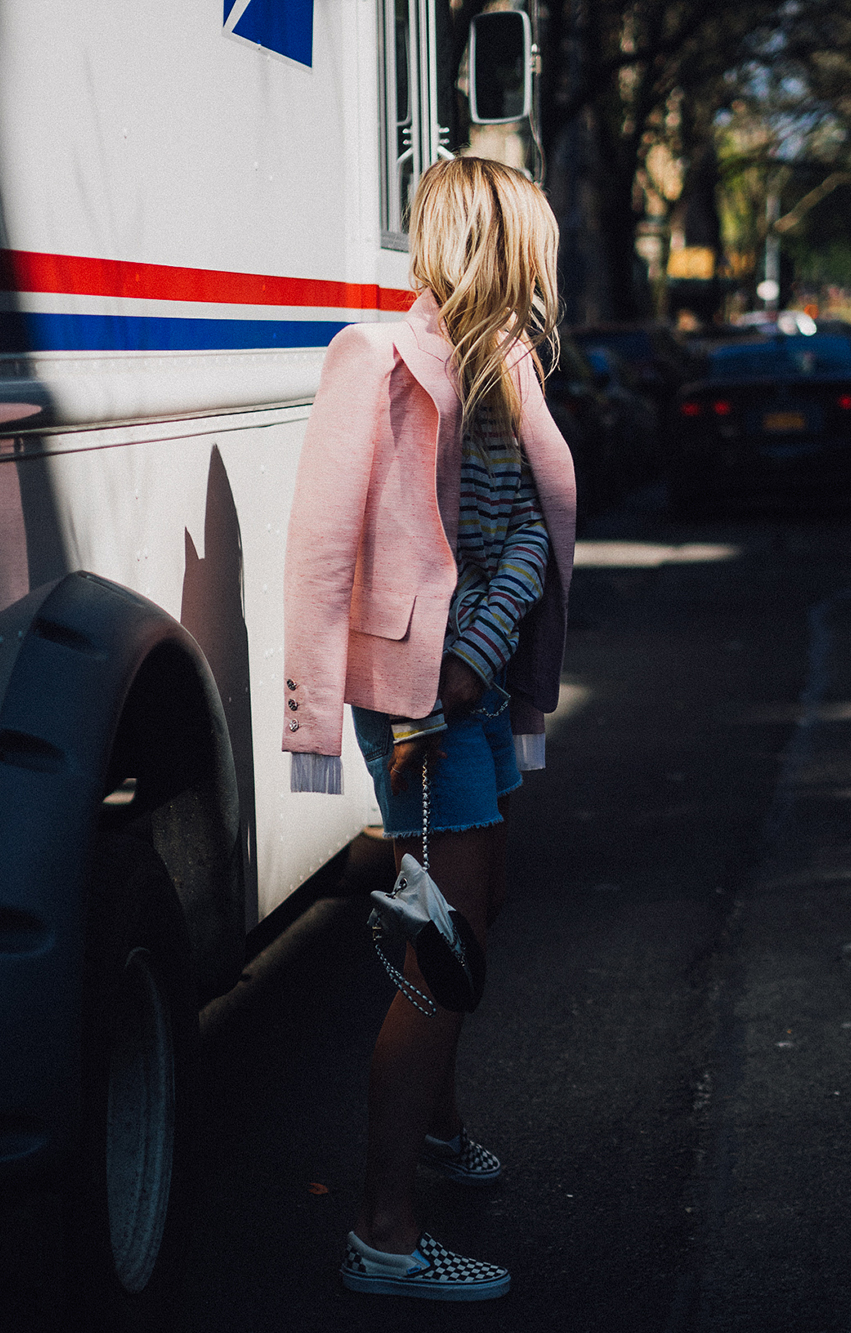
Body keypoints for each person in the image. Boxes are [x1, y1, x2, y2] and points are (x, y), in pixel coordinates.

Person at [282, 156, 575, 1301]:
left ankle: (438, 1128)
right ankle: (386, 1233)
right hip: (414, 707)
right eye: (536, 245)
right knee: (440, 960)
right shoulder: (377, 356)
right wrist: (325, 715)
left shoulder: (505, 370)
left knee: (480, 905)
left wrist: (480, 658)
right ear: (498, 243)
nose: (548, 266)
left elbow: (526, 542)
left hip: (474, 689)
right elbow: (320, 547)